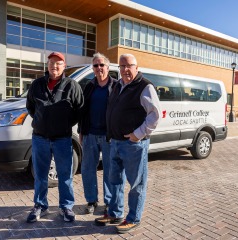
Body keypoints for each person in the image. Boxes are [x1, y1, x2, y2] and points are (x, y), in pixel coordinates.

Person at [95, 53, 161, 233]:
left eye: (129, 66)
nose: (125, 70)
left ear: (136, 67)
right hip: (115, 142)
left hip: (133, 145)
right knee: (114, 180)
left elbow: (155, 116)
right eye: (121, 66)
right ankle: (115, 213)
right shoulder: (118, 85)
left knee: (136, 183)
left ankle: (133, 217)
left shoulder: (144, 87)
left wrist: (138, 134)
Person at [26, 52, 84, 223]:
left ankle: (66, 207)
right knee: (41, 175)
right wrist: (41, 121)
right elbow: (30, 107)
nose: (55, 66)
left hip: (63, 139)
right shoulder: (37, 84)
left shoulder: (72, 85)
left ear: (64, 66)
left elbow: (79, 110)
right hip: (40, 138)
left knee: (65, 176)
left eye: (58, 63)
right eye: (52, 63)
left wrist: (64, 123)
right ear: (47, 65)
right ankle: (40, 205)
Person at [78, 53, 117, 214]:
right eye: (96, 65)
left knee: (109, 169)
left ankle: (108, 202)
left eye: (102, 65)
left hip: (109, 136)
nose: (99, 68)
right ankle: (91, 200)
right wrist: (81, 130)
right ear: (93, 69)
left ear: (107, 68)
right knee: (87, 169)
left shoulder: (116, 86)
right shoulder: (89, 86)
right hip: (90, 135)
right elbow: (83, 109)